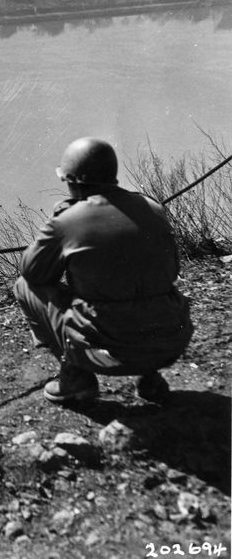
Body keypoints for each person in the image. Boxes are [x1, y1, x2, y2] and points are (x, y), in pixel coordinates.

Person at [13, 137, 194, 405]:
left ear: (74, 181)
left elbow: (33, 273)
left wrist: (58, 224)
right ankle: (151, 379)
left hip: (107, 354)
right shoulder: (154, 208)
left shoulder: (68, 220)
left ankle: (75, 377)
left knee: (24, 287)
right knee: (144, 290)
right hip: (170, 344)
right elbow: (172, 270)